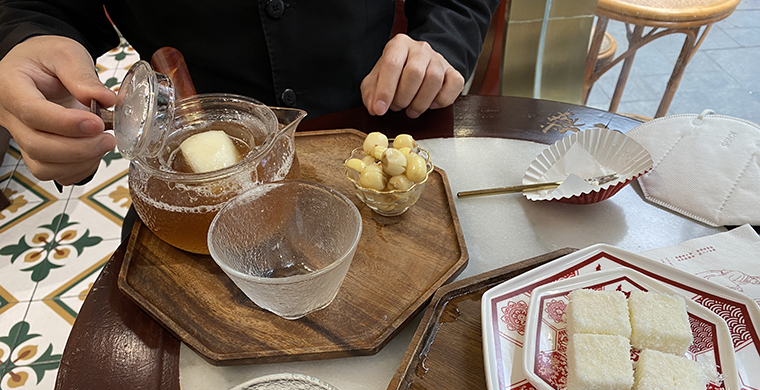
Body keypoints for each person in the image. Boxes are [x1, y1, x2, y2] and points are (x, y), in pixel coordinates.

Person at [0, 0, 499, 186]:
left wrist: (441, 43)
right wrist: (29, 42)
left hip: (371, 142)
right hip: (192, 179)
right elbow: (37, 7)